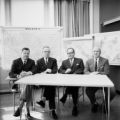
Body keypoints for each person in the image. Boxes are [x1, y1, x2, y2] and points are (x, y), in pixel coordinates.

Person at [85, 47, 116, 113]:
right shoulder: (88, 61)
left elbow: (107, 72)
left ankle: (105, 104)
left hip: (104, 81)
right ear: (92, 52)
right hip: (93, 82)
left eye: (97, 51)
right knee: (88, 91)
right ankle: (94, 103)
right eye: (94, 51)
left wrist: (98, 73)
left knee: (113, 92)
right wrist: (91, 74)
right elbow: (85, 71)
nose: (95, 53)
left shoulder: (105, 60)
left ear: (100, 52)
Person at [9, 47, 35, 119]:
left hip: (27, 83)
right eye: (24, 53)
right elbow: (11, 73)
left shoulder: (32, 61)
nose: (26, 55)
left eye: (27, 53)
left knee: (27, 85)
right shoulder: (15, 61)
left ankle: (20, 107)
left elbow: (34, 70)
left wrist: (28, 73)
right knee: (28, 88)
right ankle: (27, 113)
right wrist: (18, 75)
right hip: (18, 83)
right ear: (21, 53)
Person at [58, 48, 84, 116]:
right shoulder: (64, 62)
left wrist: (75, 73)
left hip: (77, 80)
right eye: (68, 53)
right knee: (73, 87)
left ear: (74, 53)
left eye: (71, 52)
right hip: (67, 81)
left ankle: (66, 96)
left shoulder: (79, 60)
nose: (70, 54)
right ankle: (75, 106)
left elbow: (82, 69)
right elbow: (60, 70)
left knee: (74, 87)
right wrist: (65, 71)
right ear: (67, 54)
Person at [36, 46, 58, 119]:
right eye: (45, 51)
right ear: (42, 52)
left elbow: (55, 70)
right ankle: (53, 111)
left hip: (50, 81)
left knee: (50, 87)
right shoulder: (39, 61)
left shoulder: (53, 60)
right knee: (51, 88)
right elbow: (37, 72)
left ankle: (43, 100)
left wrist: (51, 70)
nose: (47, 53)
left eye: (48, 51)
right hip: (42, 82)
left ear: (50, 52)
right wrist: (44, 72)